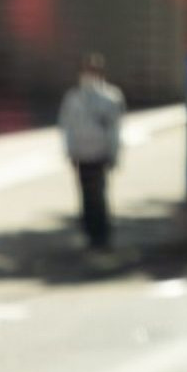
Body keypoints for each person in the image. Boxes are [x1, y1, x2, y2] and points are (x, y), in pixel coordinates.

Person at [58, 53, 127, 254]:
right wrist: (69, 151)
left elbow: (115, 130)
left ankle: (101, 234)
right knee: (86, 194)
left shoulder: (111, 97)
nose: (89, 75)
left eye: (93, 70)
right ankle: (90, 232)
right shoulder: (73, 97)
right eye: (87, 70)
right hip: (81, 154)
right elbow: (67, 127)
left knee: (98, 194)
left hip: (100, 154)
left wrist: (114, 154)